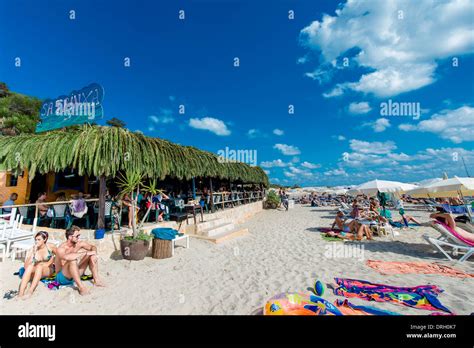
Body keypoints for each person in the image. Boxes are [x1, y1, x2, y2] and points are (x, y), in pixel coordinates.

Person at [54, 226, 105, 295]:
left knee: (91, 255)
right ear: (70, 237)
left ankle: (97, 280)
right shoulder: (61, 248)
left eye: (79, 235)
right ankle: (81, 288)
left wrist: (94, 254)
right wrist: (85, 253)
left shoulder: (79, 244)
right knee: (72, 260)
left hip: (74, 274)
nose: (78, 237)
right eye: (77, 236)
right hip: (62, 277)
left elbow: (92, 247)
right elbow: (67, 257)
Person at [18, 231, 56, 299]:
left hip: (48, 269)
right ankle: (20, 293)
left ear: (45, 239)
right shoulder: (32, 249)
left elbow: (59, 256)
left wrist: (51, 261)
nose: (36, 241)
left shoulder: (50, 246)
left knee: (39, 266)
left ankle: (30, 291)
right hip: (37, 271)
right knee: (30, 267)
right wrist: (34, 253)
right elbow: (26, 266)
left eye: (39, 239)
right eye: (35, 239)